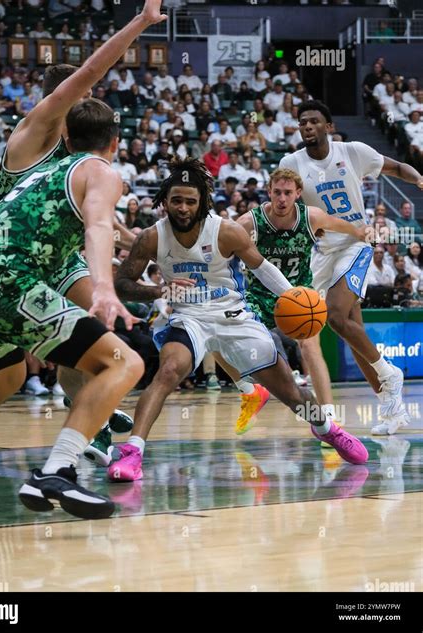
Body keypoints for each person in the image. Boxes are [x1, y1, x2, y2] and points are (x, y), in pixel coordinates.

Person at [104, 158, 368, 481]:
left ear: (202, 201)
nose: (183, 208)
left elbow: (262, 267)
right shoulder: (151, 237)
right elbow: (122, 284)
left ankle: (327, 428)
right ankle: (133, 452)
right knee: (169, 370)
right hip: (189, 316)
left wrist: (293, 296)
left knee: (292, 394)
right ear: (164, 201)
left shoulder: (225, 231)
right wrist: (160, 289)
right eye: (176, 200)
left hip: (232, 314)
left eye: (190, 201)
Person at [0, 99, 144, 520]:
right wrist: (105, 288)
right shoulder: (102, 171)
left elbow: (103, 224)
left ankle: (72, 449)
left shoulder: (41, 168)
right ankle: (57, 470)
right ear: (116, 143)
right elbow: (97, 224)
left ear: (67, 139)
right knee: (123, 362)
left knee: (6, 380)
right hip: (5, 279)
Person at [0, 0, 167, 449]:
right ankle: (81, 419)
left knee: (95, 331)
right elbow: (90, 70)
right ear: (63, 98)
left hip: (59, 256)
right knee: (7, 376)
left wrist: (140, 240)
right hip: (15, 258)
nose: (87, 102)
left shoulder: (74, 153)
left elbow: (94, 217)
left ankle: (89, 413)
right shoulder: (32, 135)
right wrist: (142, 22)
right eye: (82, 97)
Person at [280, 100, 423, 435]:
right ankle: (393, 409)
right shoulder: (291, 163)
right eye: (303, 122)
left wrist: (419, 178)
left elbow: (397, 167)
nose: (308, 126)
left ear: (329, 126)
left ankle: (390, 374)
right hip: (321, 250)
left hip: (356, 241)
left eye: (314, 121)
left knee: (336, 314)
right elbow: (283, 200)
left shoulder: (354, 151)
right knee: (349, 331)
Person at [220, 167, 371, 437]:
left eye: (287, 193)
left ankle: (330, 420)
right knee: (217, 334)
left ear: (298, 194)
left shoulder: (311, 217)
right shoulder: (249, 222)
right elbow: (220, 247)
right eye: (276, 192)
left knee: (311, 348)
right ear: (269, 192)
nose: (281, 198)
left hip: (300, 295)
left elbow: (343, 226)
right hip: (259, 295)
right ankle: (250, 391)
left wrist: (361, 234)